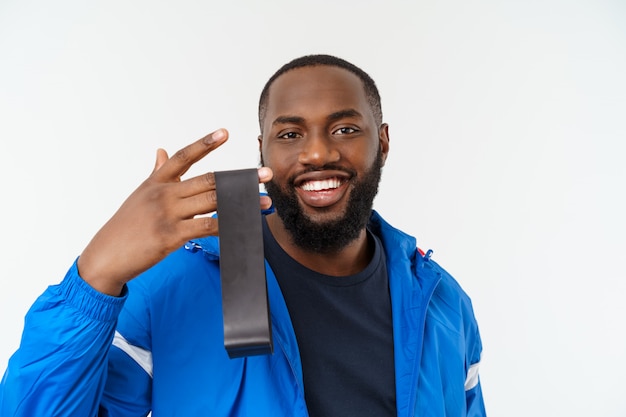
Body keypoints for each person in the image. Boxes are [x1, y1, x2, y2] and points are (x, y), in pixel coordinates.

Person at [0, 54, 486, 416]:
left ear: (382, 140)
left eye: (343, 129)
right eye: (290, 134)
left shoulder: (444, 304)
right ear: (263, 151)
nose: (317, 153)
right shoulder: (175, 284)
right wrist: (95, 277)